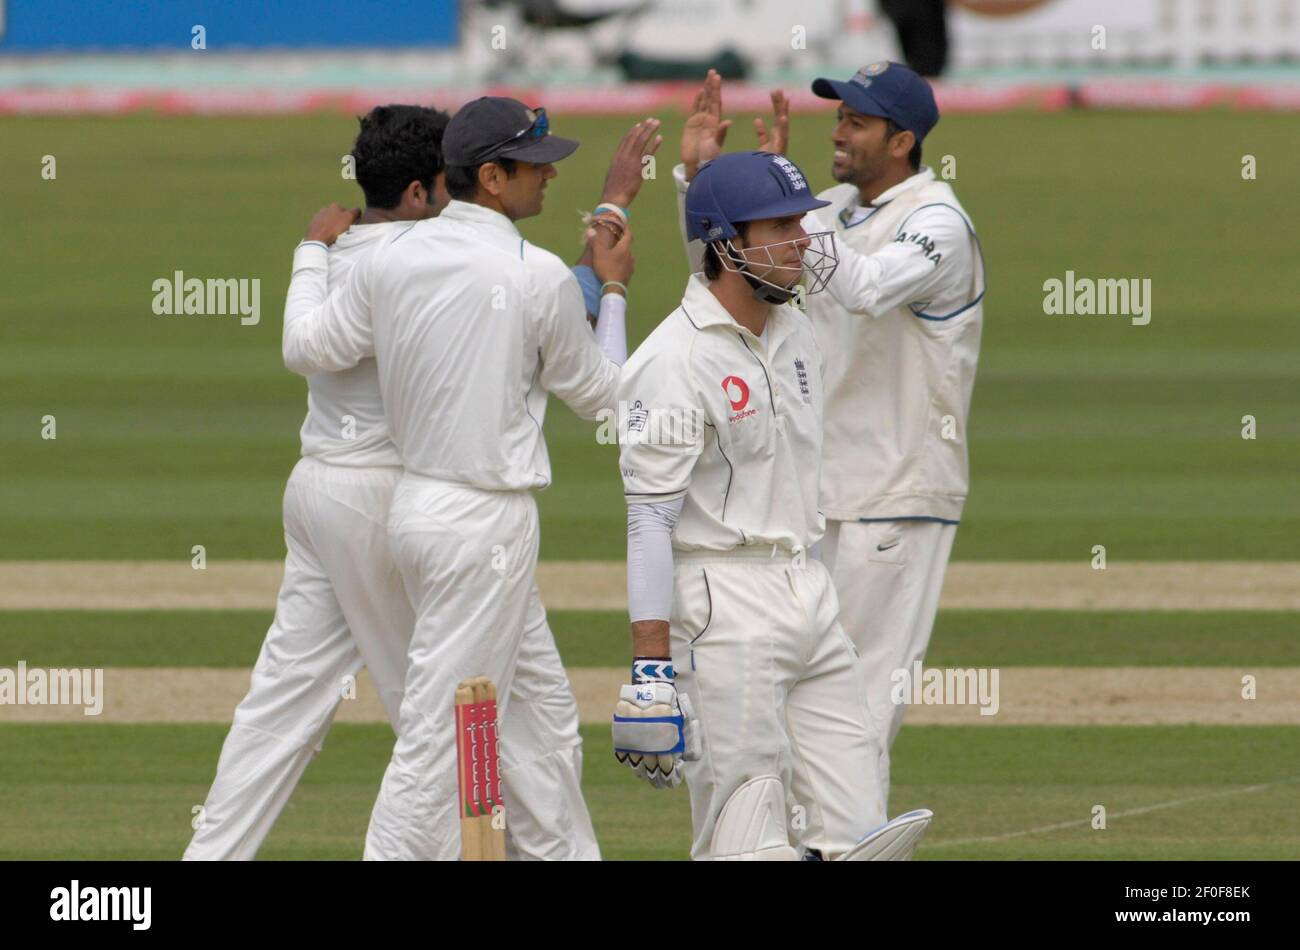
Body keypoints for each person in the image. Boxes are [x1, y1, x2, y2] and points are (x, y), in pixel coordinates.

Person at [281, 97, 636, 861]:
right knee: (441, 747)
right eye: (534, 166)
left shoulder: (391, 261)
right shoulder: (534, 274)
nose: (548, 176)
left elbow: (309, 344)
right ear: (491, 176)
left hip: (420, 513)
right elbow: (608, 396)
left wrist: (312, 256)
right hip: (484, 528)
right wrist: (613, 291)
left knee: (541, 728)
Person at [674, 65, 985, 811]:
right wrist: (711, 186)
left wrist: (781, 207)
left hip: (897, 491)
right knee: (797, 704)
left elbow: (868, 287)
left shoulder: (939, 221)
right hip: (814, 493)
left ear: (902, 140)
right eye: (838, 117)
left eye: (858, 122)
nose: (839, 133)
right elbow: (739, 280)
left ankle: (842, 845)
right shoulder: (835, 208)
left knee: (861, 708)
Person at [610, 150, 933, 861]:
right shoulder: (672, 362)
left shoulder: (795, 332)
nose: (804, 242)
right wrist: (651, 669)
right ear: (726, 245)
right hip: (723, 607)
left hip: (808, 590)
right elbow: (650, 520)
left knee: (863, 836)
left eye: (803, 222)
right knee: (745, 836)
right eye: (780, 226)